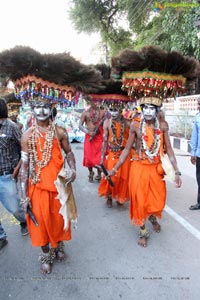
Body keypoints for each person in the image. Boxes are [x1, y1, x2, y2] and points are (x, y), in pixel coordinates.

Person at [108, 99, 182, 247]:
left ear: (157, 111)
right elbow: (127, 149)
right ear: (142, 109)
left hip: (155, 169)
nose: (148, 111)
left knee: (157, 200)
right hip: (138, 167)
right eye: (145, 108)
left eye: (151, 108)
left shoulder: (162, 127)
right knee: (139, 199)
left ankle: (152, 217)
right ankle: (143, 230)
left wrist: (177, 171)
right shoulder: (136, 125)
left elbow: (170, 150)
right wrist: (115, 169)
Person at [19, 98, 77, 274]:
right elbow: (24, 167)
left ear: (51, 108)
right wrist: (23, 196)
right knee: (41, 225)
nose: (41, 111)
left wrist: (73, 170)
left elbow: (69, 153)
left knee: (58, 220)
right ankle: (46, 255)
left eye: (45, 106)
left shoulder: (60, 132)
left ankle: (59, 244)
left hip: (59, 187)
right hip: (37, 188)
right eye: (37, 106)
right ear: (32, 109)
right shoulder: (27, 135)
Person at [0, 98, 28, 250]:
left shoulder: (11, 127)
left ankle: (24, 221)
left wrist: (17, 169)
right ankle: (1, 236)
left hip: (6, 176)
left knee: (14, 207)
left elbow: (24, 148)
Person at [98, 104, 131, 207]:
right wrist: (102, 156)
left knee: (123, 177)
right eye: (111, 109)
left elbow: (133, 137)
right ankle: (109, 196)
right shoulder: (107, 122)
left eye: (116, 110)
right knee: (112, 177)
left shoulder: (127, 122)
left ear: (121, 109)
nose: (113, 112)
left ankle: (120, 196)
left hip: (124, 154)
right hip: (112, 153)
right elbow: (104, 141)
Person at [79, 97, 106, 182]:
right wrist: (88, 132)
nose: (96, 102)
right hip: (89, 137)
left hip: (99, 137)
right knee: (88, 157)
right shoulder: (85, 113)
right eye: (94, 101)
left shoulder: (102, 112)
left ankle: (98, 174)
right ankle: (90, 173)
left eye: (98, 100)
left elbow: (107, 123)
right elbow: (80, 125)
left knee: (98, 157)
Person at [189, 97, 200, 210]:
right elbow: (194, 137)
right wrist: (193, 153)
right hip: (199, 154)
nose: (198, 106)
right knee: (199, 179)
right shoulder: (198, 117)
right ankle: (199, 202)